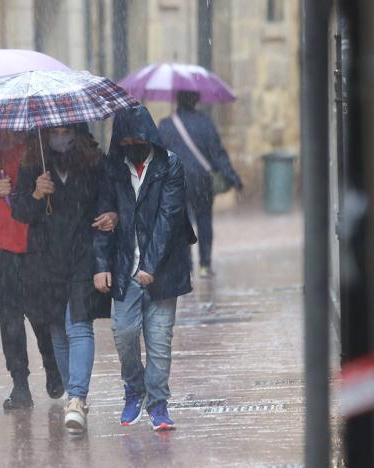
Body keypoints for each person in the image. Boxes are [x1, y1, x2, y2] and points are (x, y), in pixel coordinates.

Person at [93, 106, 197, 431]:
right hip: (124, 266)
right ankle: (134, 389)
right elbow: (103, 215)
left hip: (164, 269)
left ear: (149, 135)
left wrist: (150, 265)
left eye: (136, 137)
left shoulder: (170, 166)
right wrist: (100, 264)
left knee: (159, 338)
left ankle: (158, 403)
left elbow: (168, 218)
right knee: (123, 333)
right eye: (124, 139)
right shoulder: (112, 169)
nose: (131, 143)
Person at [12, 124, 116, 434]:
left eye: (65, 130)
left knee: (79, 324)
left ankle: (77, 399)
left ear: (76, 131)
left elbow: (107, 200)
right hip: (45, 259)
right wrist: (35, 193)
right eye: (53, 131)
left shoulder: (94, 162)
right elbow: (19, 211)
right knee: (57, 328)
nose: (60, 137)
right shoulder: (33, 165)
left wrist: (112, 216)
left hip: (82, 253)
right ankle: (75, 397)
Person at [0, 131, 64, 410]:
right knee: (9, 311)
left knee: (36, 306)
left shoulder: (35, 143)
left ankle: (52, 365)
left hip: (30, 239)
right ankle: (20, 383)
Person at [158, 91, 243, 278]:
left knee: (182, 224)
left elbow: (158, 156)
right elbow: (218, 154)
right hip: (202, 181)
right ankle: (205, 264)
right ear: (197, 100)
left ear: (177, 101)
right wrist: (234, 178)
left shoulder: (166, 125)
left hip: (177, 180)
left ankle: (186, 265)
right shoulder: (206, 123)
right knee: (204, 220)